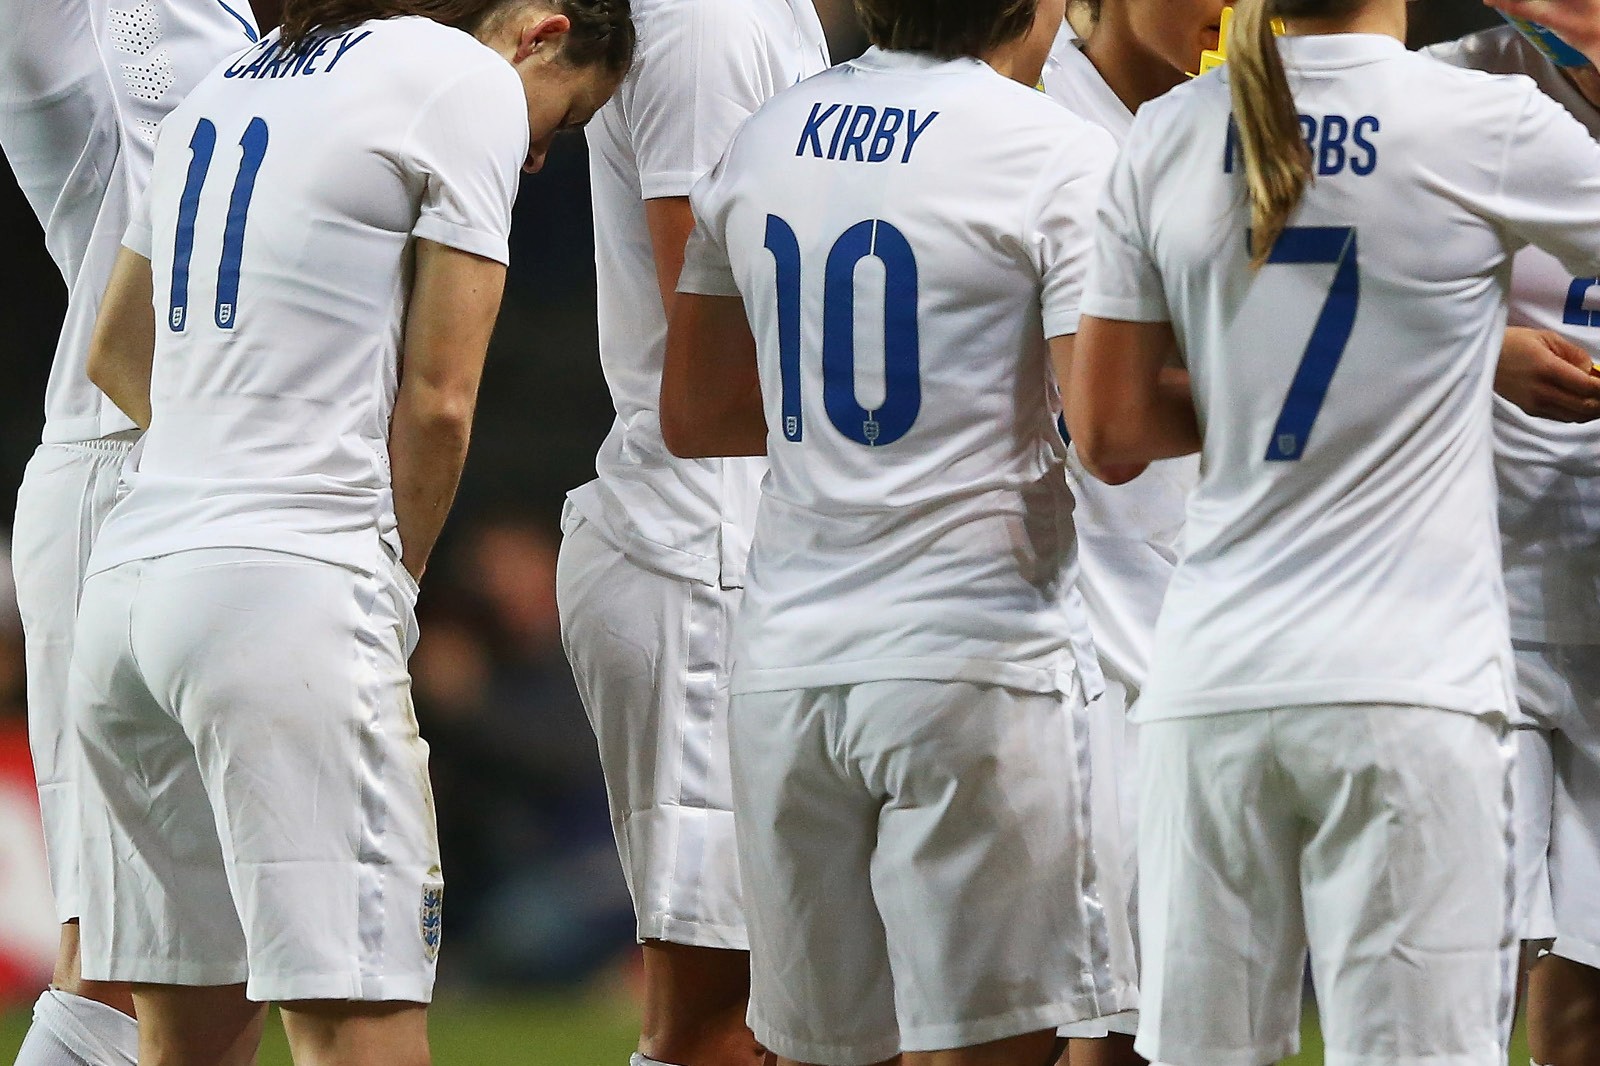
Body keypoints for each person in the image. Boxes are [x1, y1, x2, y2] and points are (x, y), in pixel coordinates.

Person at [66, 0, 632, 1063]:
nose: (542, 155)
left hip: (131, 595)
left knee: (184, 1041)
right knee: (356, 1030)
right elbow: (438, 399)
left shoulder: (227, 83)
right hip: (288, 595)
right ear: (540, 32)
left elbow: (116, 350)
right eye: (564, 121)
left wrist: (231, 453)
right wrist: (389, 580)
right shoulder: (456, 81)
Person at [1064, 0, 1600, 1059]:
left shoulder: (1169, 130)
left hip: (1210, 683)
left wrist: (1275, 388)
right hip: (1410, 686)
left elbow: (1111, 427)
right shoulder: (1481, 120)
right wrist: (1426, 371)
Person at [660, 0, 1131, 1061]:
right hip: (974, 655)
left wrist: (848, 434)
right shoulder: (1055, 150)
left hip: (787, 661)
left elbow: (691, 408)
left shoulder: (766, 134)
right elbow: (1100, 424)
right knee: (988, 1044)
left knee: (826, 1049)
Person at [554, 0, 828, 1061]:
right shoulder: (712, 21)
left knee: (814, 1010)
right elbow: (710, 330)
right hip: (703, 545)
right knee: (721, 1024)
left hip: (747, 539)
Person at [0, 1, 271, 1063]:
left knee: (198, 975)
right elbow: (226, 156)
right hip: (144, 451)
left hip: (132, 454)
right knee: (125, 966)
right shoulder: (154, 25)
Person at [1037, 5, 1223, 1063]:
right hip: (1071, 601)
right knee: (1096, 1017)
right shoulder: (1042, 124)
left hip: (1206, 596)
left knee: (1167, 1018)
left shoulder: (1257, 102)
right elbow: (1098, 412)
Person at [1424, 14, 1600, 1065]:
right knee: (1458, 966)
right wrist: (1481, 350)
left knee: (1588, 985)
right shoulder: (1453, 91)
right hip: (1482, 591)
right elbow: (1318, 285)